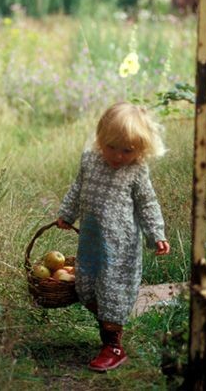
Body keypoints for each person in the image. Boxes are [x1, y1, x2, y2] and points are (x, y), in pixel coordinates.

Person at [56, 101, 170, 372]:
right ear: (100, 139)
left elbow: (147, 204)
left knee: (112, 292)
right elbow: (77, 188)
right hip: (91, 240)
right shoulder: (90, 160)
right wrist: (67, 213)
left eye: (127, 150)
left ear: (141, 148)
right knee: (85, 288)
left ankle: (113, 344)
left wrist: (157, 234)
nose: (118, 156)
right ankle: (110, 326)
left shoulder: (137, 170)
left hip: (121, 248)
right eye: (112, 147)